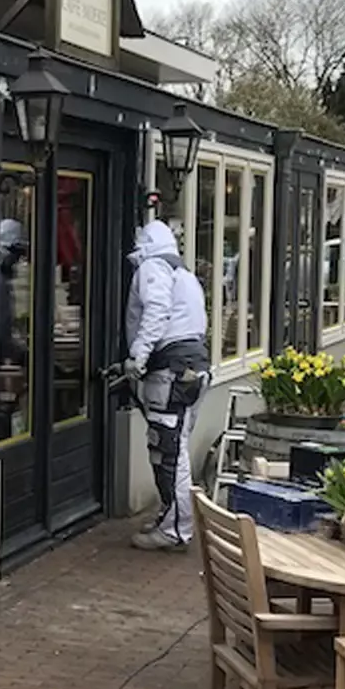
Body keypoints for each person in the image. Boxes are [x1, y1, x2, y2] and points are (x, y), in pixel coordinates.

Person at [123, 221, 210, 553]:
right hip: (192, 368)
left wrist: (138, 356)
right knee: (173, 446)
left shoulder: (153, 268)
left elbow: (156, 311)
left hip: (170, 371)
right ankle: (169, 517)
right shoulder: (184, 275)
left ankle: (175, 529)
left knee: (169, 451)